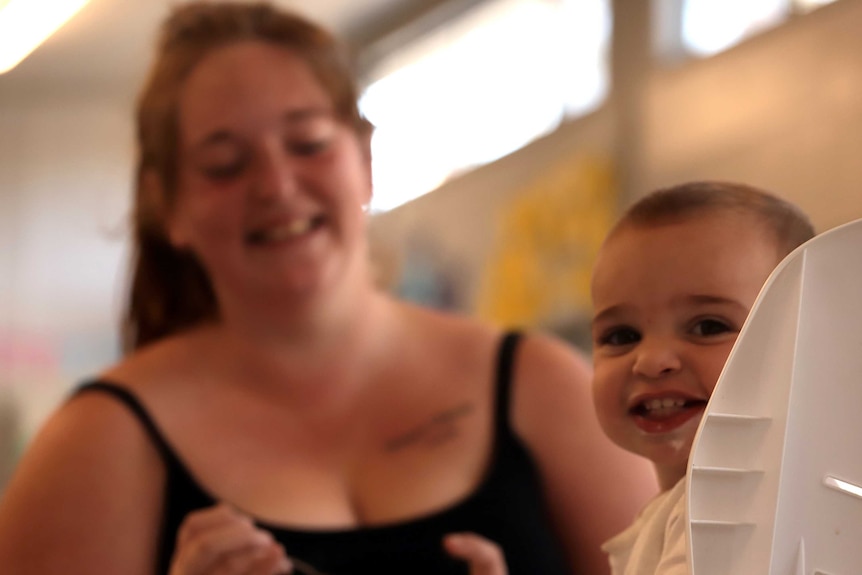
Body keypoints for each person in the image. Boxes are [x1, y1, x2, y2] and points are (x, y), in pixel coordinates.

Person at [0, 2, 657, 574]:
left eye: (308, 142)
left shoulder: (543, 387)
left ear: (365, 161)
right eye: (225, 164)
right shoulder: (96, 445)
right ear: (165, 204)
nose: (276, 185)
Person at [589, 181, 815, 574]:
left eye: (708, 326)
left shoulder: (739, 513)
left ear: (804, 343)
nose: (651, 360)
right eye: (621, 336)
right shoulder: (681, 510)